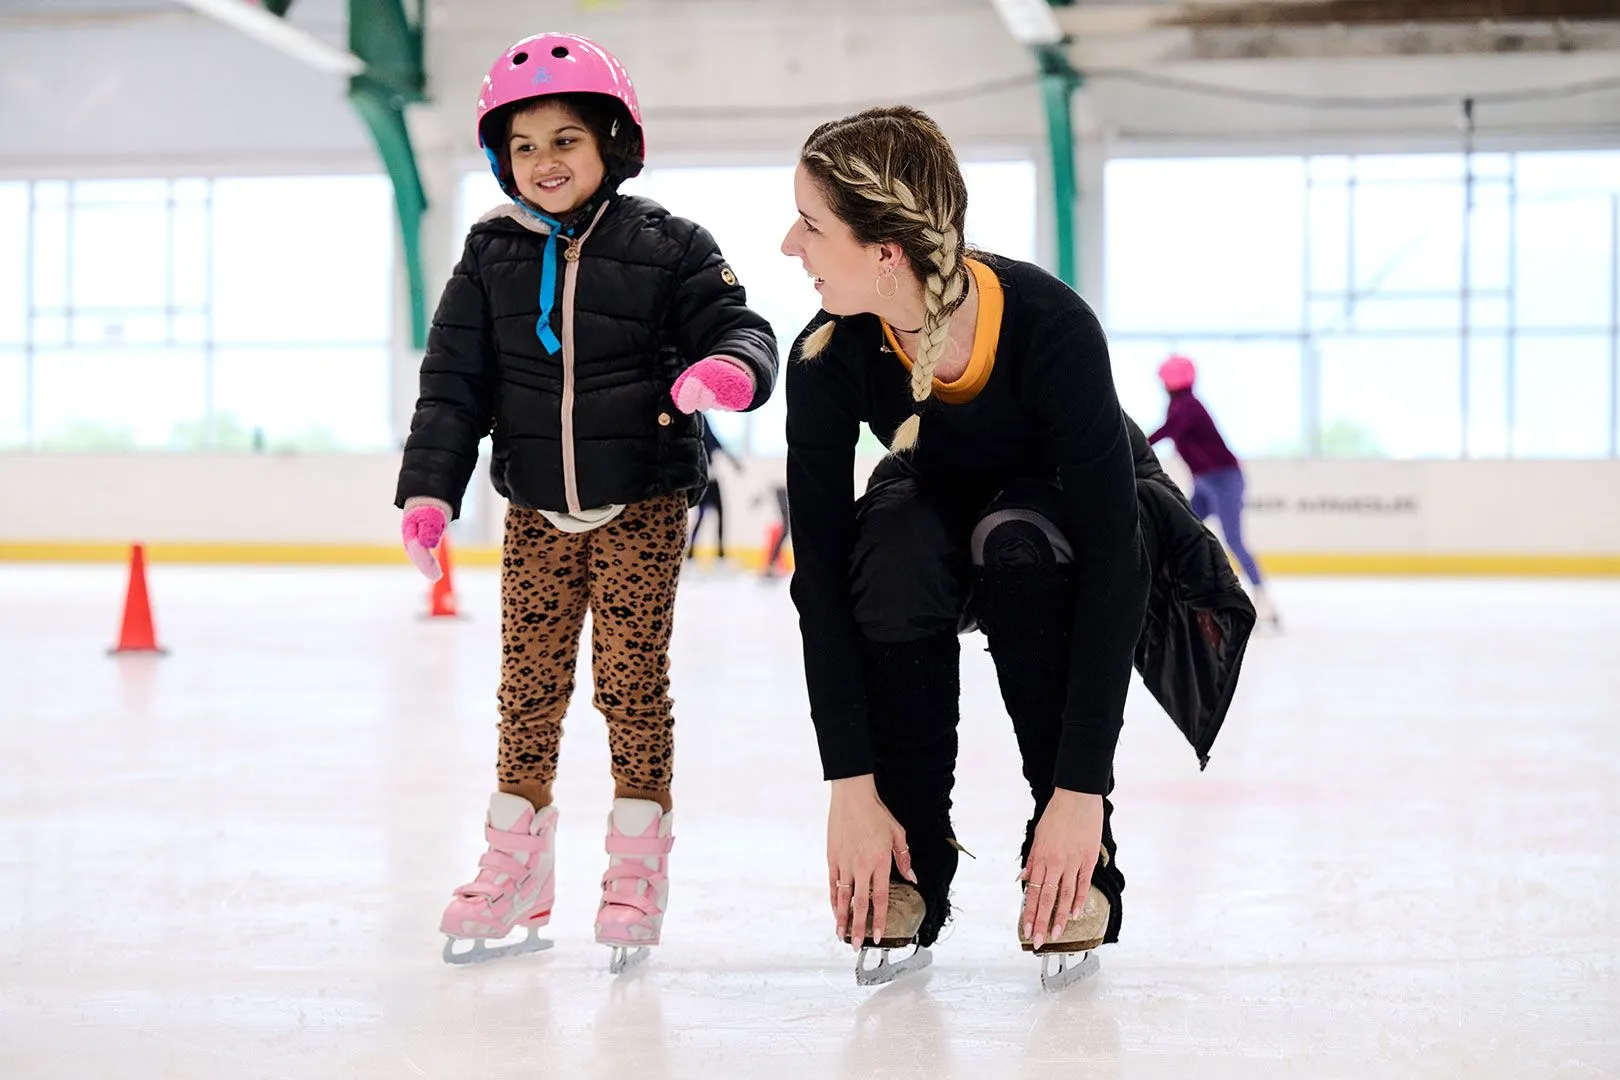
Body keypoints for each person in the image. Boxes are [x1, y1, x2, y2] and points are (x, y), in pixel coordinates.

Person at [780, 106, 1255, 990]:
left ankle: (1077, 860)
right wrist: (850, 782)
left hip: (1067, 527)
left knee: (1020, 538)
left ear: (887, 252)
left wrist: (1082, 793)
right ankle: (913, 860)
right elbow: (819, 581)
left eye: (810, 224)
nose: (787, 245)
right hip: (939, 505)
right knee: (891, 543)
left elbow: (1118, 563)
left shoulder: (1049, 325)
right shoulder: (825, 354)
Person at [393, 32, 777, 971]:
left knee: (630, 686)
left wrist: (727, 371)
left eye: (565, 139)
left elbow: (742, 325)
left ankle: (637, 868)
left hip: (643, 500)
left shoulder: (670, 244)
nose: (544, 162)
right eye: (523, 147)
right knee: (526, 692)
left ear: (612, 141)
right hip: (533, 511)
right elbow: (452, 387)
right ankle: (517, 868)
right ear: (500, 160)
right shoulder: (488, 255)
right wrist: (429, 492)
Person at [1149, 355, 1279, 628]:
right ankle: (1181, 596)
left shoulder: (1188, 406)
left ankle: (1263, 600)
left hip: (1223, 479)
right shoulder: (1180, 405)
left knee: (1232, 539)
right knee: (1180, 530)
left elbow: (1169, 431)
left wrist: (1134, 443)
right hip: (1206, 482)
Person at [686, 417, 743, 562]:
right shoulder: (693, 425)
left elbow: (717, 444)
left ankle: (720, 554)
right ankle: (691, 553)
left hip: (712, 479)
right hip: (703, 480)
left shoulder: (703, 423)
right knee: (703, 515)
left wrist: (733, 462)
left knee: (719, 514)